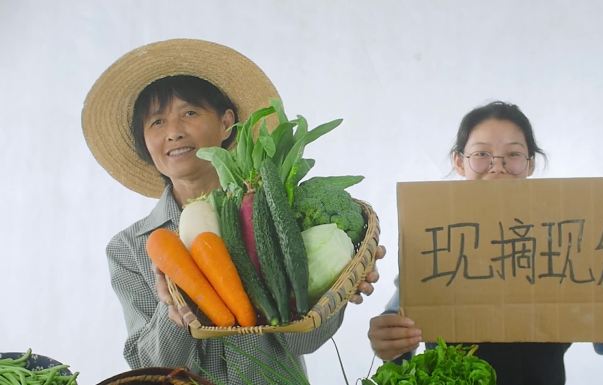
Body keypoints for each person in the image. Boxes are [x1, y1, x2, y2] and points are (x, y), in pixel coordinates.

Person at [82, 39, 385, 385]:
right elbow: (146, 365)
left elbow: (305, 339)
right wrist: (178, 309)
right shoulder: (130, 248)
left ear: (226, 123)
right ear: (144, 139)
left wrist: (337, 290)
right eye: (156, 122)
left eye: (189, 113)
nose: (174, 132)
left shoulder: (276, 219)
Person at [367, 101, 603, 385]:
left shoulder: (566, 240)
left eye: (513, 155)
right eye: (482, 154)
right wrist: (389, 338)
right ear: (459, 162)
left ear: (530, 164)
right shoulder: (436, 240)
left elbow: (602, 341)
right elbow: (399, 331)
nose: (497, 167)